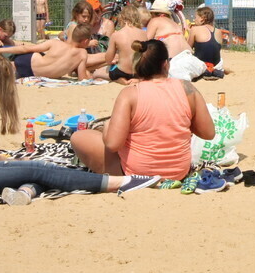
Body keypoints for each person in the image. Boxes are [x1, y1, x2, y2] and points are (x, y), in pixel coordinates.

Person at [0, 55, 159, 205]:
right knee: (39, 168)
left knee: (37, 172)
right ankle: (117, 182)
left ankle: (25, 193)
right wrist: (17, 164)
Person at [71, 39, 216, 181]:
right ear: (166, 64)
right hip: (178, 172)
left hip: (137, 173)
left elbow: (113, 144)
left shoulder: (130, 94)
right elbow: (208, 133)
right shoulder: (187, 88)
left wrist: (108, 127)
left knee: (79, 138)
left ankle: (118, 176)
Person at [0, 23, 93, 80]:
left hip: (29, 61)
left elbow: (26, 48)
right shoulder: (82, 54)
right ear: (85, 41)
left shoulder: (56, 43)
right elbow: (82, 79)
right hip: (33, 73)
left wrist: (0, 50)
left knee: (4, 67)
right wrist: (91, 77)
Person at [146, 0, 206, 81]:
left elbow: (146, 42)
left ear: (154, 13)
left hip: (173, 63)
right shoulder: (174, 23)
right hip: (192, 61)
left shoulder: (155, 21)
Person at [94, 5, 146, 84]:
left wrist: (116, 60)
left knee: (96, 73)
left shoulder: (116, 35)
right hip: (138, 73)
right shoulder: (144, 34)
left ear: (121, 18)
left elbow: (108, 60)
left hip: (121, 72)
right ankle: (136, 80)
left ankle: (119, 79)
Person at [187, 6, 232, 76]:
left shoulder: (195, 30)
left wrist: (188, 33)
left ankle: (207, 69)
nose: (194, 20)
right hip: (216, 65)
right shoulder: (218, 31)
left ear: (202, 19)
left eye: (196, 18)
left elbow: (187, 49)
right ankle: (217, 69)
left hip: (201, 64)